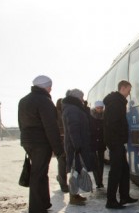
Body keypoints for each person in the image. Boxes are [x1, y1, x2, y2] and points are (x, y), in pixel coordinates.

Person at [18, 75, 64, 213]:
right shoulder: (44, 101)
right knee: (38, 174)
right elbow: (50, 127)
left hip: (28, 141)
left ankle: (44, 202)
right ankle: (37, 208)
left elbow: (21, 123)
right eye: (50, 85)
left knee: (41, 172)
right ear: (44, 86)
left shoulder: (23, 100)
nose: (51, 88)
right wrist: (58, 149)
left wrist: (26, 139)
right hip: (41, 143)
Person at [103, 80, 138, 209]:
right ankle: (111, 201)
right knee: (116, 171)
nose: (129, 94)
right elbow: (113, 123)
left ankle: (124, 196)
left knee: (124, 169)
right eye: (128, 91)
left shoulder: (117, 101)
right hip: (115, 141)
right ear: (123, 88)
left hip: (116, 141)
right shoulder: (116, 102)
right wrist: (121, 135)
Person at [61, 89, 92, 206]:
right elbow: (73, 128)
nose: (82, 99)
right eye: (81, 97)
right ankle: (73, 196)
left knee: (77, 170)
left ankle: (75, 194)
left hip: (76, 145)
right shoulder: (72, 109)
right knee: (75, 171)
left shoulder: (72, 107)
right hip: (75, 146)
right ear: (76, 97)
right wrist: (77, 145)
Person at [90, 100, 106, 189]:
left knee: (101, 163)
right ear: (95, 108)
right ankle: (98, 181)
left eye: (101, 108)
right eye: (98, 108)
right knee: (95, 164)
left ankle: (100, 181)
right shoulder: (90, 116)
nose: (99, 109)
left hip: (101, 143)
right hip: (92, 143)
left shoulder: (105, 116)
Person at [55, 98, 69, 193]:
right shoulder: (58, 114)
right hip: (61, 141)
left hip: (63, 141)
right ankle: (63, 184)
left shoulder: (62, 112)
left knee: (63, 163)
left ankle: (61, 179)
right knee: (62, 163)